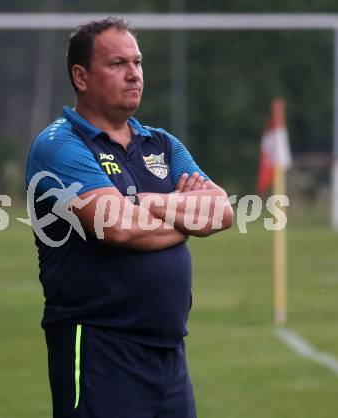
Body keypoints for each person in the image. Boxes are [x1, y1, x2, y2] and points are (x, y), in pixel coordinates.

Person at [26, 16, 233, 418]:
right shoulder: (59, 145)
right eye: (117, 64)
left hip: (169, 353)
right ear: (81, 76)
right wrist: (182, 216)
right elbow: (115, 225)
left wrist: (145, 203)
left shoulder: (162, 144)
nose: (133, 74)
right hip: (100, 349)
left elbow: (221, 211)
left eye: (137, 63)